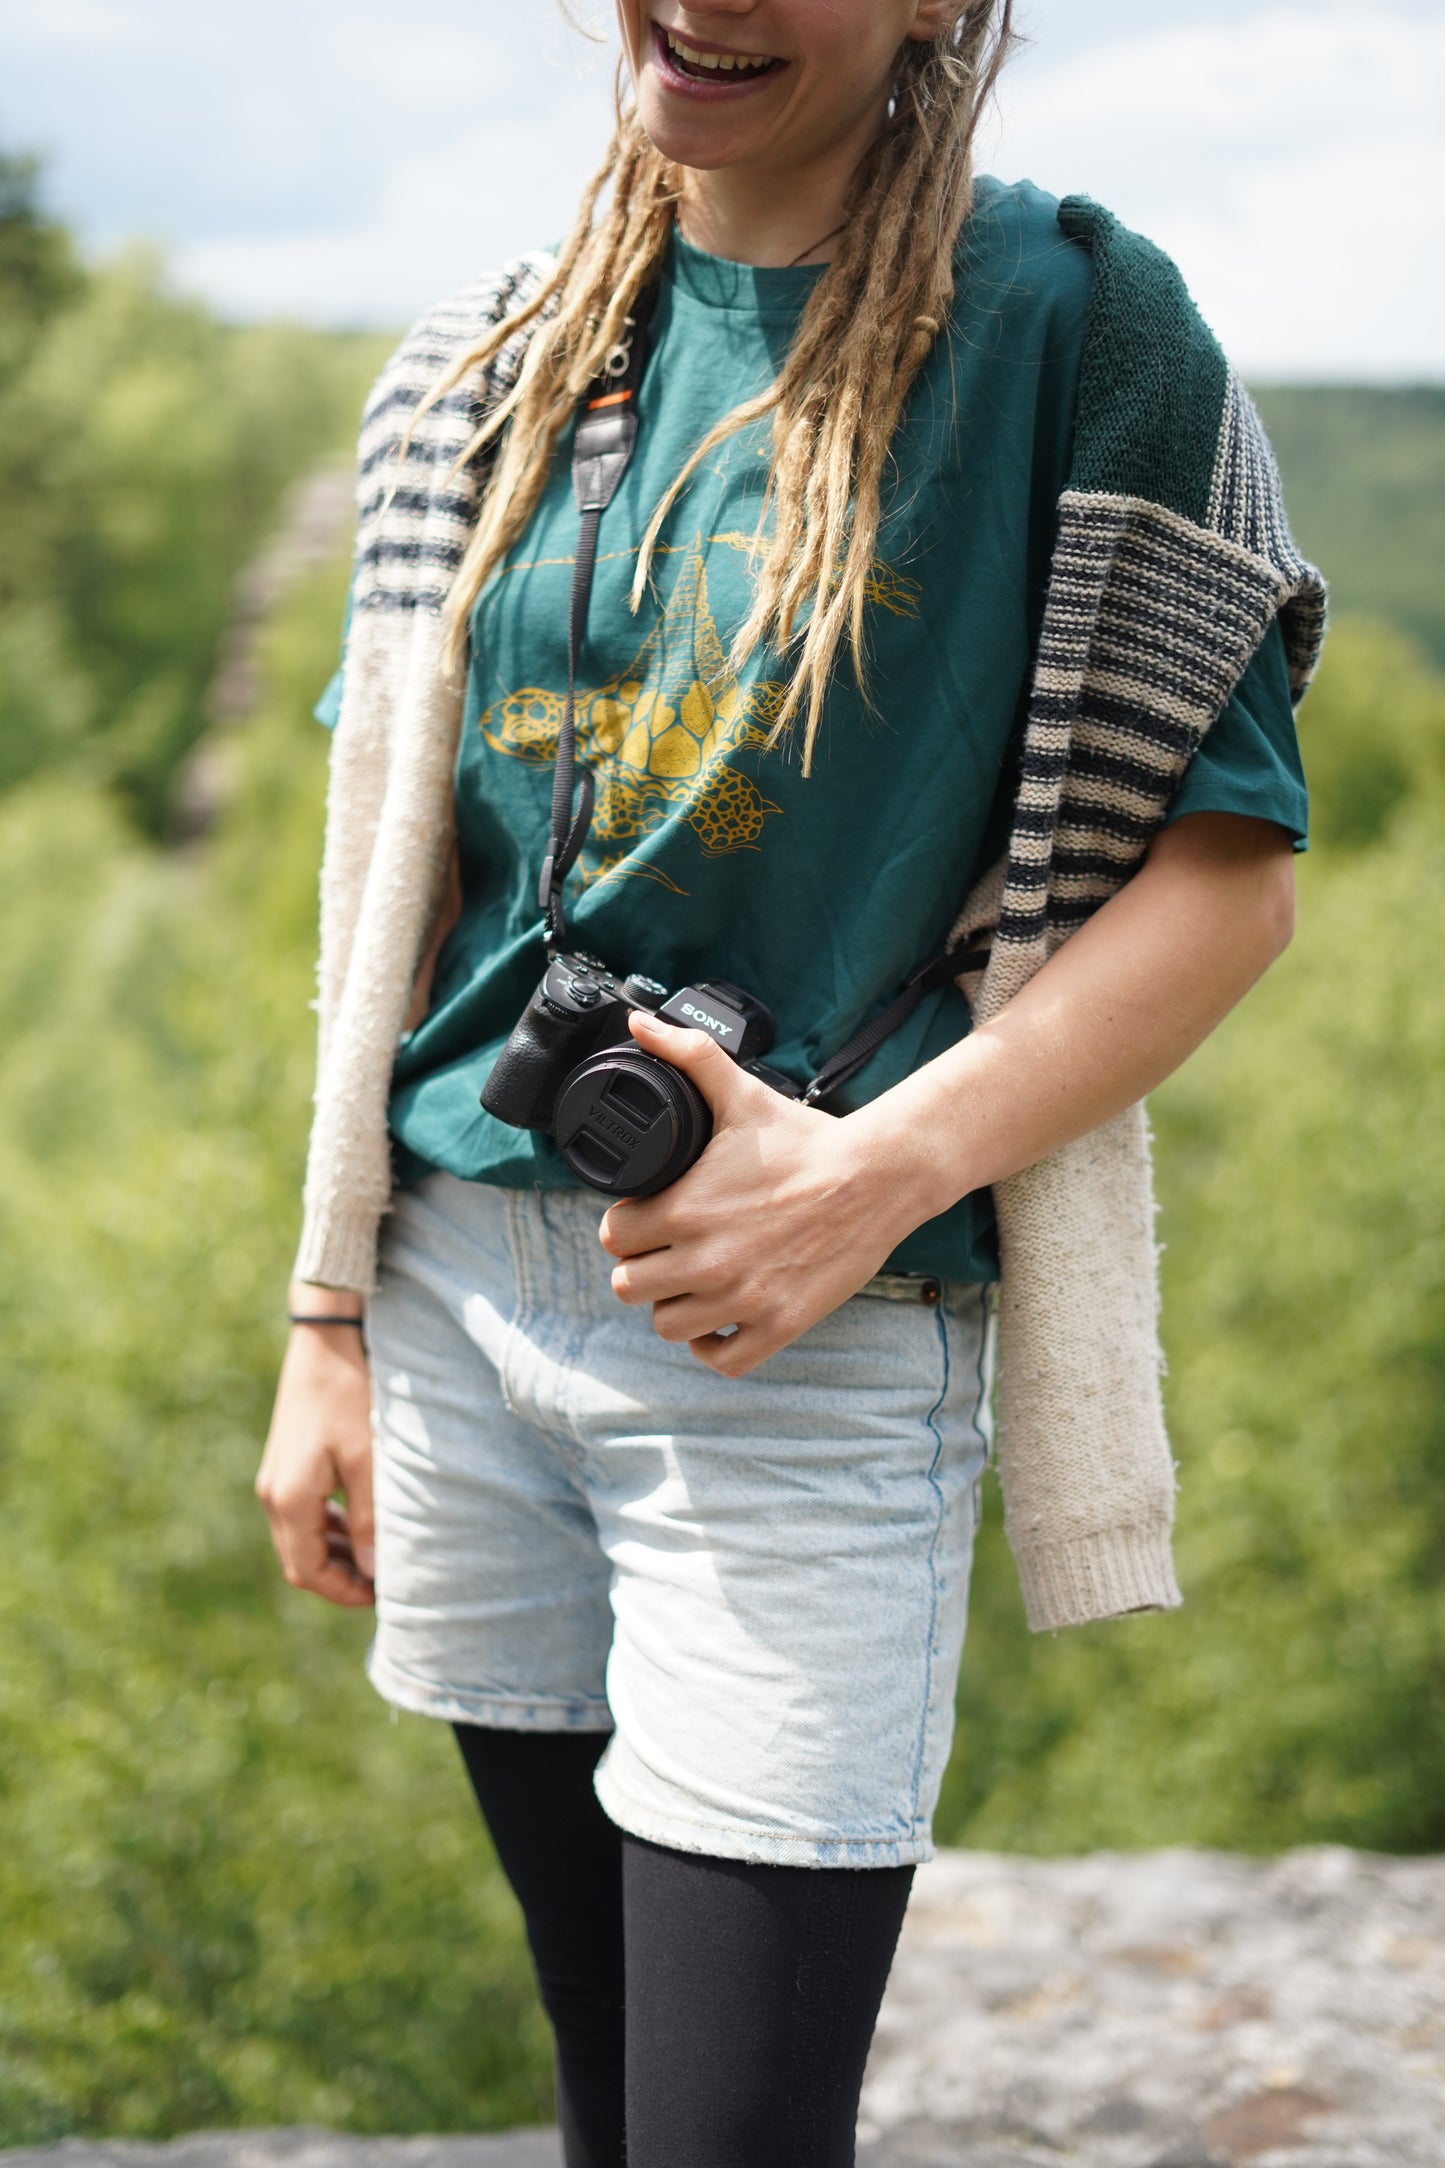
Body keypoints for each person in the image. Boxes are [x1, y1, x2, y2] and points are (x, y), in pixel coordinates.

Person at [256, 4, 1323, 2162]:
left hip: (810, 1342)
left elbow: (1230, 881)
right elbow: (399, 880)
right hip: (459, 1303)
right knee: (606, 2081)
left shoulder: (1078, 332)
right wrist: (329, 1312)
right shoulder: (485, 356)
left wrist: (872, 1173)